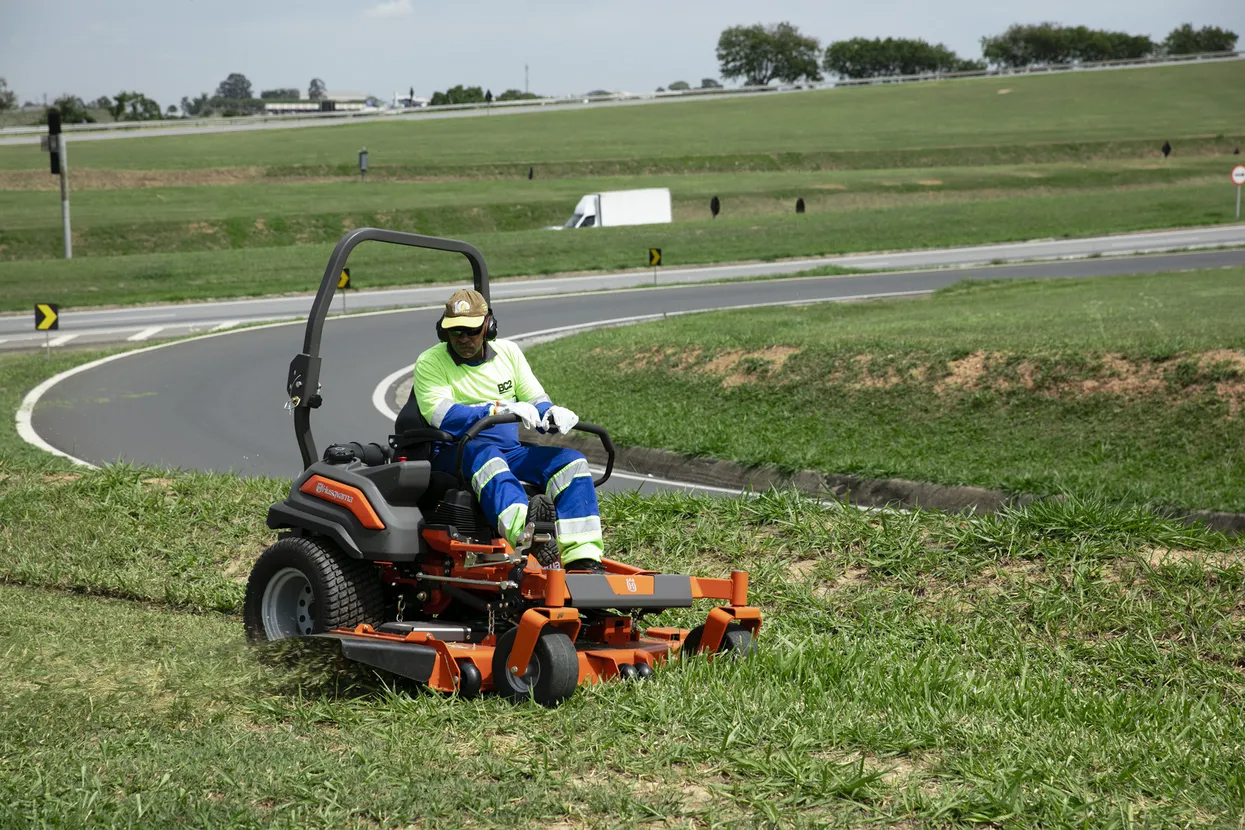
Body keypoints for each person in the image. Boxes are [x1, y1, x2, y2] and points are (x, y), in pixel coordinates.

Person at [411, 289, 605, 572]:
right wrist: (496, 409)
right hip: (456, 452)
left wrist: (549, 412)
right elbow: (442, 414)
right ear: (444, 332)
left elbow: (535, 399)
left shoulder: (509, 353)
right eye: (455, 332)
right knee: (488, 456)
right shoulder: (430, 362)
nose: (463, 339)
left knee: (571, 462)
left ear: (488, 326)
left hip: (509, 451)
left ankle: (583, 559)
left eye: (471, 330)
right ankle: (529, 537)